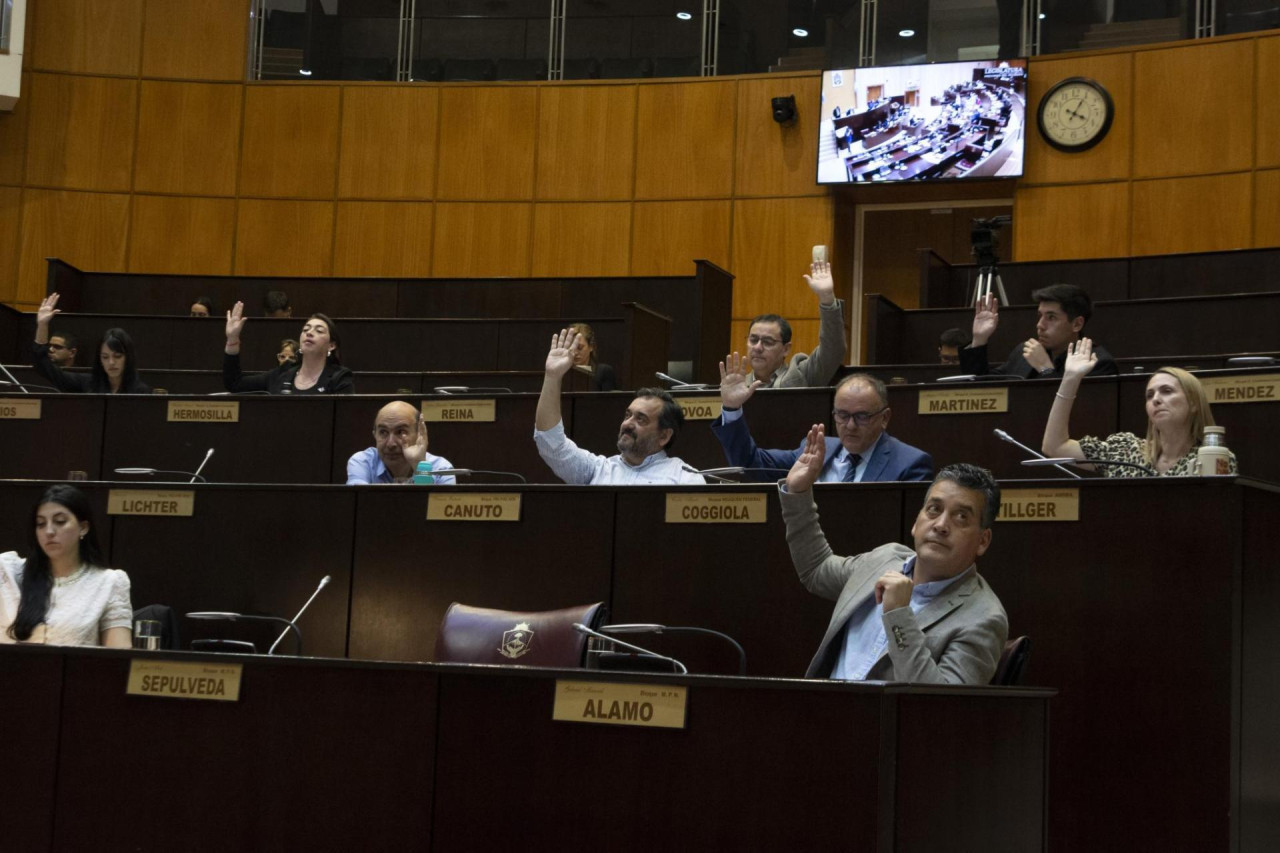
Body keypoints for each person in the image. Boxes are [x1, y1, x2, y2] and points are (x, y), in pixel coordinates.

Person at [780, 440, 1007, 683]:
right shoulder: (884, 559)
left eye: (961, 517)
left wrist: (899, 615)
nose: (941, 525)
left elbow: (941, 706)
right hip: (822, 710)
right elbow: (817, 570)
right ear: (916, 522)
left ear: (983, 540)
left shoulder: (984, 617)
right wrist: (798, 494)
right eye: (933, 509)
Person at [711, 362, 933, 482]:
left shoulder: (910, 464)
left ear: (884, 418)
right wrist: (732, 408)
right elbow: (749, 463)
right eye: (843, 415)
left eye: (862, 416)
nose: (851, 425)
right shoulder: (815, 451)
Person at [535, 328, 705, 485]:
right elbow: (551, 443)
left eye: (641, 419)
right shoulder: (596, 470)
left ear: (664, 436)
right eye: (627, 415)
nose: (627, 424)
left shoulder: (686, 479)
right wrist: (553, 376)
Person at [1042, 340, 1237, 477]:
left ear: (1194, 403)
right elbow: (1055, 447)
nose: (1156, 399)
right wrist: (1070, 379)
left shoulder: (1214, 457)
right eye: (1150, 395)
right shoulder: (1125, 451)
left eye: (1167, 391)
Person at [1, 485, 133, 647]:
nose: (49, 531)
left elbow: (118, 656)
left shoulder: (109, 583)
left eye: (60, 521)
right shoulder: (7, 571)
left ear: (83, 528)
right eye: (40, 524)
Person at [960, 284, 1117, 378]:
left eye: (1051, 317)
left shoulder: (1097, 364)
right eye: (1040, 316)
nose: (1040, 325)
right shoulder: (1024, 352)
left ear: (1076, 324)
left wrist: (1045, 369)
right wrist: (979, 340)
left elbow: (1078, 413)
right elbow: (982, 388)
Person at [742, 259, 846, 388]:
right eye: (753, 340)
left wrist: (827, 298)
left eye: (768, 342)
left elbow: (833, 348)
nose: (757, 347)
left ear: (786, 349)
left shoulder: (801, 375)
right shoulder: (736, 386)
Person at [223, 301, 353, 394]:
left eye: (319, 331)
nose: (309, 332)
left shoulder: (339, 378)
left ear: (331, 345)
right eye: (306, 329)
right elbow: (235, 383)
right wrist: (232, 340)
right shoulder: (283, 373)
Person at [31, 294, 150, 394]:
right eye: (105, 357)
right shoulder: (88, 383)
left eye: (117, 356)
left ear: (128, 357)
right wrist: (42, 325)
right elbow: (43, 366)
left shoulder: (140, 391)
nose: (111, 362)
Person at [347, 401, 457, 485]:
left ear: (419, 435)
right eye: (383, 432)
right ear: (374, 435)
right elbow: (357, 503)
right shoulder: (363, 462)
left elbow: (433, 510)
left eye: (400, 432)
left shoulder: (442, 469)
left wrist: (419, 465)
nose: (391, 444)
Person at [568, 322, 617, 392]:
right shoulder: (560, 371)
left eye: (580, 348)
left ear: (591, 347)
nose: (575, 353)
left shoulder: (603, 371)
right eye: (571, 348)